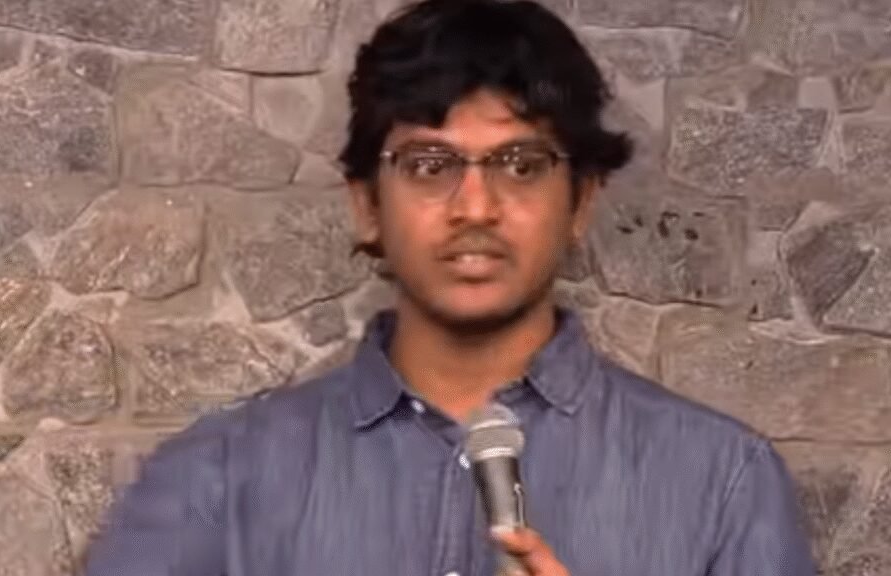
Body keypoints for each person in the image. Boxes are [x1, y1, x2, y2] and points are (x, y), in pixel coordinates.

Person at [85, 0, 816, 574]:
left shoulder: (724, 482)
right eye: (430, 165)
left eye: (521, 164)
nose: (475, 207)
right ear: (368, 205)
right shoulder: (214, 478)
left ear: (581, 203)